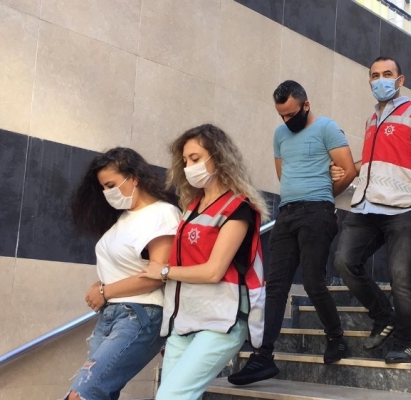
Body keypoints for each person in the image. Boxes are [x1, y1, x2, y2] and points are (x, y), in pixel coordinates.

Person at [227, 80, 356, 385]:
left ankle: (336, 337)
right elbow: (283, 174)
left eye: (291, 114)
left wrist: (324, 194)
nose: (286, 120)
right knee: (275, 286)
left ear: (305, 105)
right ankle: (263, 357)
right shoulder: (280, 135)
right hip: (287, 214)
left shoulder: (327, 128)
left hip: (317, 212)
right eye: (281, 115)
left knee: (312, 281)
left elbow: (349, 169)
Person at [334, 56, 411, 364]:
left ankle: (406, 341)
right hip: (366, 206)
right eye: (375, 75)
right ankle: (382, 315)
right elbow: (375, 160)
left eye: (387, 74)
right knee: (345, 262)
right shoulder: (372, 119)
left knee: (400, 276)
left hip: (404, 207)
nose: (380, 80)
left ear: (400, 81)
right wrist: (345, 172)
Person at [140, 124, 269, 400]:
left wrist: (165, 271)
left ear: (218, 157)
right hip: (185, 319)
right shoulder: (192, 207)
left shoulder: (238, 208)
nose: (189, 167)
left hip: (222, 321)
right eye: (185, 161)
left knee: (170, 397)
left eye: (195, 159)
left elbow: (213, 271)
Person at [66, 148, 181, 400]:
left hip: (140, 314)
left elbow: (157, 275)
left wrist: (104, 291)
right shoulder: (124, 219)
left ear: (134, 178)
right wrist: (102, 285)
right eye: (103, 188)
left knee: (82, 394)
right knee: (94, 393)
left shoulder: (163, 213)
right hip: (111, 315)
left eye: (111, 185)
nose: (108, 193)